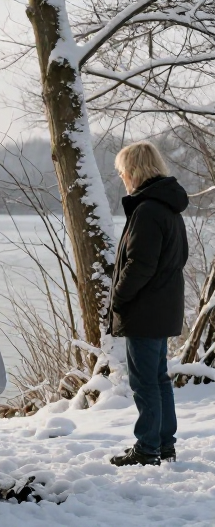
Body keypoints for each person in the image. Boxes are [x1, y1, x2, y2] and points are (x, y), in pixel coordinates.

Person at [107, 141, 188, 467]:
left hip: (145, 310)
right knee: (157, 378)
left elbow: (139, 265)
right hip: (162, 308)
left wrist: (119, 298)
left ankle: (147, 448)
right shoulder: (166, 207)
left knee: (145, 381)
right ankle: (164, 444)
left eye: (123, 172)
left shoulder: (148, 210)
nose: (122, 177)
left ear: (134, 172)